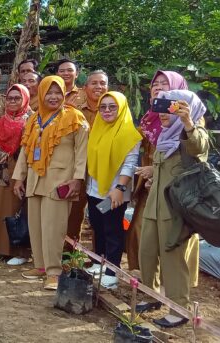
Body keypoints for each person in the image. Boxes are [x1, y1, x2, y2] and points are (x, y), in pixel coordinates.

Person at [135, 90, 207, 328]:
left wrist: (187, 122)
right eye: (161, 107)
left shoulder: (193, 133)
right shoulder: (165, 136)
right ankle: (151, 295)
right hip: (154, 205)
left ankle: (179, 308)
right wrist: (153, 178)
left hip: (175, 211)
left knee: (173, 259)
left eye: (170, 107)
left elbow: (198, 148)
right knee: (147, 252)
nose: (163, 113)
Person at [12, 76, 88, 290]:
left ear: (64, 94)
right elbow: (25, 150)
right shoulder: (34, 119)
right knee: (36, 226)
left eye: (58, 93)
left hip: (60, 181)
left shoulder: (75, 117)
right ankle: (41, 266)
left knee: (54, 228)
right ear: (41, 94)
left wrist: (77, 179)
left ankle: (54, 272)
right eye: (49, 93)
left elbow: (82, 151)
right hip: (35, 179)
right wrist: (19, 177)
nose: (53, 97)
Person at [131, 71, 190, 274]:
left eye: (164, 83)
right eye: (155, 84)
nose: (158, 87)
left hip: (175, 190)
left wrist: (154, 170)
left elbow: (191, 154)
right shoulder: (151, 117)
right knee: (141, 231)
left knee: (172, 238)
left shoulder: (189, 120)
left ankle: (171, 284)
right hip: (149, 185)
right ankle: (144, 278)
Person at [84, 91, 142, 289]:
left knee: (112, 230)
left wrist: (120, 188)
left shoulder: (129, 134)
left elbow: (130, 164)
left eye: (112, 106)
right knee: (98, 226)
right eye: (103, 107)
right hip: (94, 189)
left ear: (122, 108)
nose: (107, 110)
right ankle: (98, 263)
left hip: (114, 192)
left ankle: (112, 271)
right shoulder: (97, 128)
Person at [0, 84, 32, 265]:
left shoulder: (31, 120)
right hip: (2, 171)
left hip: (20, 170)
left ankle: (20, 252)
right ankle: (0, 248)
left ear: (25, 99)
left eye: (17, 98)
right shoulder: (3, 119)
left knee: (17, 209)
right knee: (0, 208)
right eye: (10, 98)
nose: (12, 101)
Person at [65, 70, 109, 252]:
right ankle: (68, 252)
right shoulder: (74, 110)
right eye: (94, 83)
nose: (99, 87)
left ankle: (99, 256)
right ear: (85, 87)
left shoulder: (111, 110)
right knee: (74, 211)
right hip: (78, 168)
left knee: (102, 213)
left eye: (103, 83)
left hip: (104, 170)